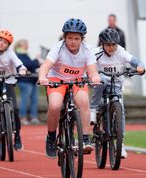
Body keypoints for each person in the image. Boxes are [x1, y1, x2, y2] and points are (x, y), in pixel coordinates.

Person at [38, 18, 101, 158]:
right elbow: (46, 66)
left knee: (84, 103)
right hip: (57, 80)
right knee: (55, 106)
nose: (73, 41)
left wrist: (94, 77)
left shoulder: (88, 49)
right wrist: (42, 77)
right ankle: (51, 138)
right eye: (70, 38)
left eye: (76, 38)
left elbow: (92, 70)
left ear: (82, 39)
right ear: (64, 37)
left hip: (77, 80)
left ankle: (85, 139)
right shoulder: (58, 48)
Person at [90, 28, 145, 159]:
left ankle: (121, 145)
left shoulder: (121, 51)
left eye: (113, 44)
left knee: (121, 108)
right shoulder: (95, 53)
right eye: (108, 45)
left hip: (116, 84)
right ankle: (93, 109)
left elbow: (136, 61)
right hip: (100, 82)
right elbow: (86, 64)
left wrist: (140, 67)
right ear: (102, 44)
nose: (111, 48)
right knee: (101, 81)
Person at [0, 30, 27, 150]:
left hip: (9, 80)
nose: (2, 43)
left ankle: (17, 136)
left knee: (15, 108)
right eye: (0, 40)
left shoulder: (10, 53)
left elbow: (18, 63)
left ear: (8, 46)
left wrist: (22, 69)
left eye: (5, 42)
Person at [14, 39, 43, 125]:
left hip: (32, 81)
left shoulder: (25, 54)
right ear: (21, 45)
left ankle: (33, 117)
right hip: (25, 81)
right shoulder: (18, 54)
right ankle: (22, 117)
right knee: (25, 100)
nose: (27, 46)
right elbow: (27, 64)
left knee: (34, 100)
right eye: (26, 44)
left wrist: (36, 63)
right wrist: (37, 60)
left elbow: (31, 65)